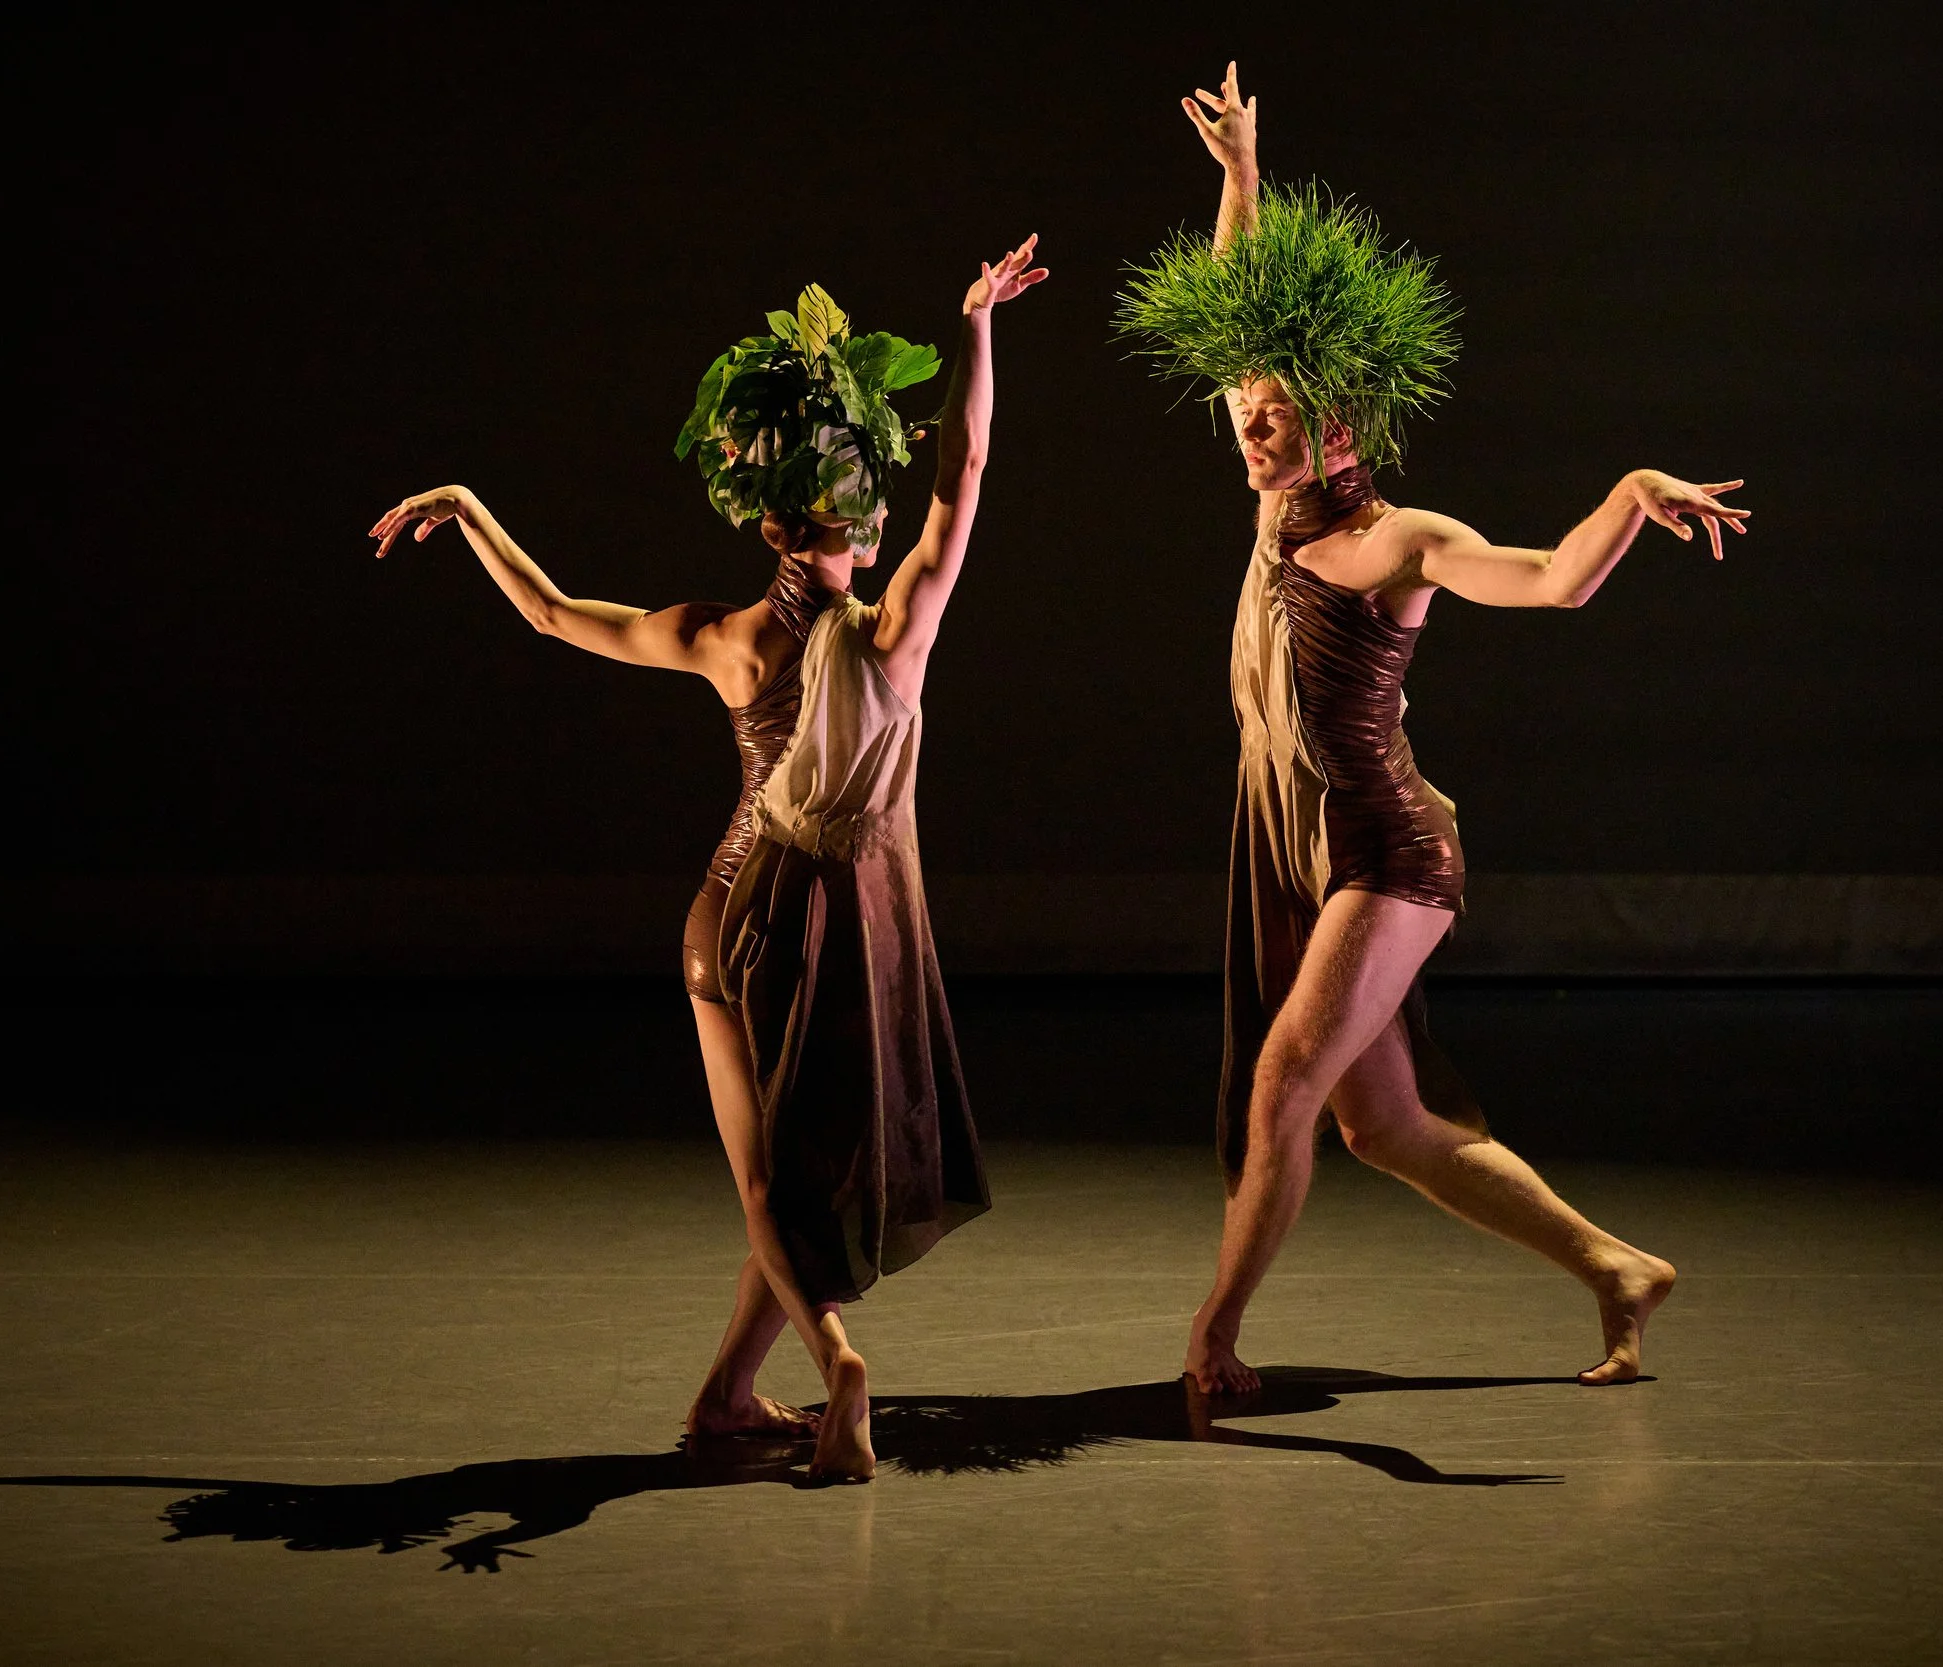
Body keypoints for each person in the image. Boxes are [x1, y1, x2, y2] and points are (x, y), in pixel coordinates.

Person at [370, 235, 1049, 1478]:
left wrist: (469, 507)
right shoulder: (896, 631)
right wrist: (977, 329)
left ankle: (729, 1394)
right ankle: (836, 1360)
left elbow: (553, 612)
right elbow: (968, 466)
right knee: (783, 1179)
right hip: (831, 924)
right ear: (848, 512)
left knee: (769, 1175)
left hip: (724, 919)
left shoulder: (723, 633)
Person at [1122, 65, 1750, 1393]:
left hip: (1387, 850)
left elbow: (1551, 579)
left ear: (1341, 425)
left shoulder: (1396, 536)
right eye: (1246, 410)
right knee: (1387, 1123)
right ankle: (1618, 1268)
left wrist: (1634, 491)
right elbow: (1244, 316)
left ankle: (1215, 1341)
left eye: (1274, 412)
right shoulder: (1276, 501)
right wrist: (1240, 172)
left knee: (1287, 1086)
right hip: (1305, 848)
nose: (1249, 421)